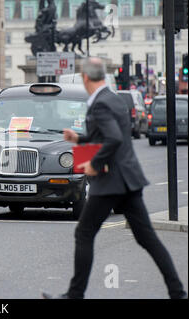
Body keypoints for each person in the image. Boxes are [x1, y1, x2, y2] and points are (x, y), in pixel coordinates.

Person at [42, 57, 187, 299]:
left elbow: (114, 139)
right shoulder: (116, 99)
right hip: (128, 179)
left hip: (110, 181)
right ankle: (178, 292)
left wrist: (93, 164)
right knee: (147, 238)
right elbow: (108, 134)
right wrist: (79, 140)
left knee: (84, 233)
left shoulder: (99, 104)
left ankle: (74, 295)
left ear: (86, 77)